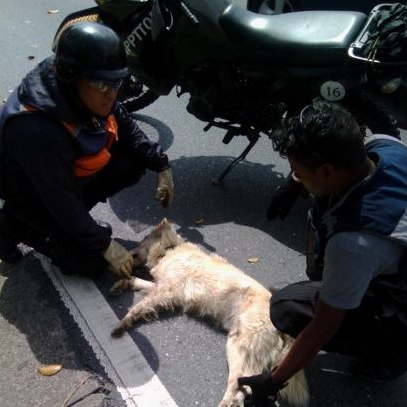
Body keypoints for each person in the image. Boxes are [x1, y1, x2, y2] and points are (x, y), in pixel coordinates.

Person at [238, 102, 407, 405]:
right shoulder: (384, 146)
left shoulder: (355, 242)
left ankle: (392, 354)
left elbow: (324, 325)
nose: (297, 177)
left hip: (399, 298)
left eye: (298, 172)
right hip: (393, 263)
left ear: (327, 170)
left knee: (286, 307)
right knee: (326, 234)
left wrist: (273, 380)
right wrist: (291, 185)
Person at [0, 21, 174, 279]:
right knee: (89, 261)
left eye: (117, 83)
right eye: (103, 86)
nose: (111, 94)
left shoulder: (80, 83)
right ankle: (14, 227)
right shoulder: (36, 130)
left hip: (60, 178)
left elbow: (122, 119)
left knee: (132, 162)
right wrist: (104, 245)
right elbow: (61, 201)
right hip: (32, 194)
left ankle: (69, 230)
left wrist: (160, 163)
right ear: (71, 77)